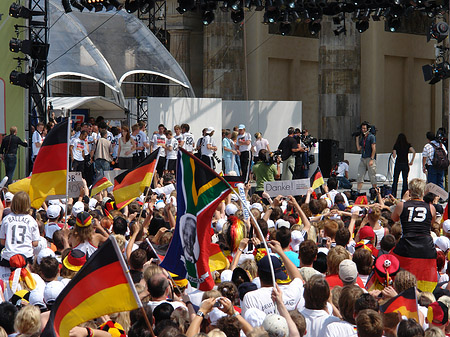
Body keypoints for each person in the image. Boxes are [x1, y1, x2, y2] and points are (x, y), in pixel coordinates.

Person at [391, 178, 437, 292]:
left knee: (393, 264)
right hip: (426, 247)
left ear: (410, 191)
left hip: (407, 246)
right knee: (425, 279)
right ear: (423, 192)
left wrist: (403, 200)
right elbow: (431, 223)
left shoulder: (402, 205)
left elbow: (394, 218)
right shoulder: (431, 207)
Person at [0, 191, 40, 265]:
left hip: (9, 257)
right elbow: (35, 243)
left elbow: (2, 241)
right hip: (26, 256)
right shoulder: (31, 220)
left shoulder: (6, 219)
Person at [392, 133, 416, 198]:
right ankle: (404, 195)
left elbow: (394, 156)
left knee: (395, 179)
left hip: (398, 163)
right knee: (405, 180)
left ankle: (394, 194)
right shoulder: (408, 145)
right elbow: (414, 151)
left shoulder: (396, 145)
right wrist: (412, 161)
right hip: (405, 163)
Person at [356, 122, 377, 192]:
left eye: (364, 128)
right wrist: (357, 139)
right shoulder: (363, 138)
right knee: (360, 175)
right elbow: (359, 148)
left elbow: (374, 148)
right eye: (362, 128)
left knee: (372, 176)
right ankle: (358, 191)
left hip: (369, 158)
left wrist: (372, 159)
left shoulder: (371, 137)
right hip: (363, 158)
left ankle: (375, 191)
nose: (363, 130)